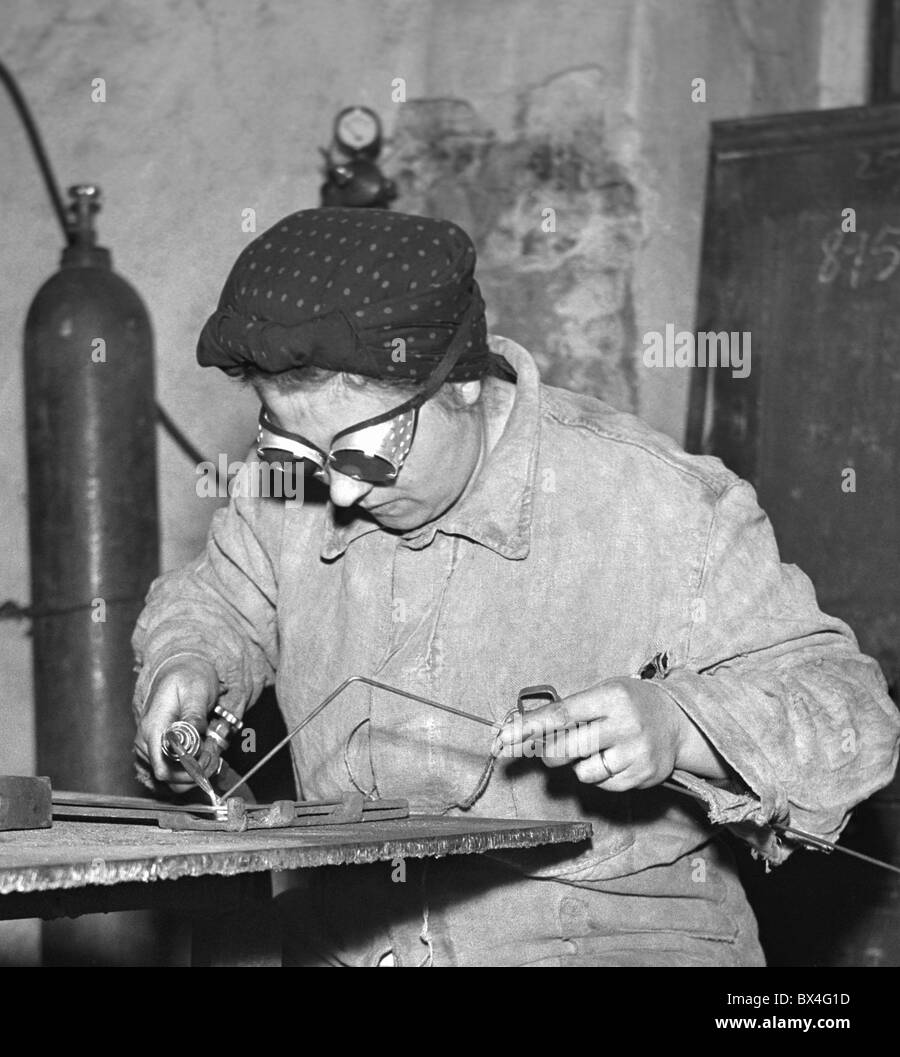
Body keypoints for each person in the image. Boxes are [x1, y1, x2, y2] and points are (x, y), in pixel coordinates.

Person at [131, 206, 900, 966]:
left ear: (461, 383)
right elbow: (218, 600)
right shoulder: (286, 489)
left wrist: (681, 724)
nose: (334, 493)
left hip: (600, 940)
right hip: (353, 935)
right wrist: (191, 663)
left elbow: (853, 711)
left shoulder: (662, 503)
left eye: (364, 453)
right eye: (296, 446)